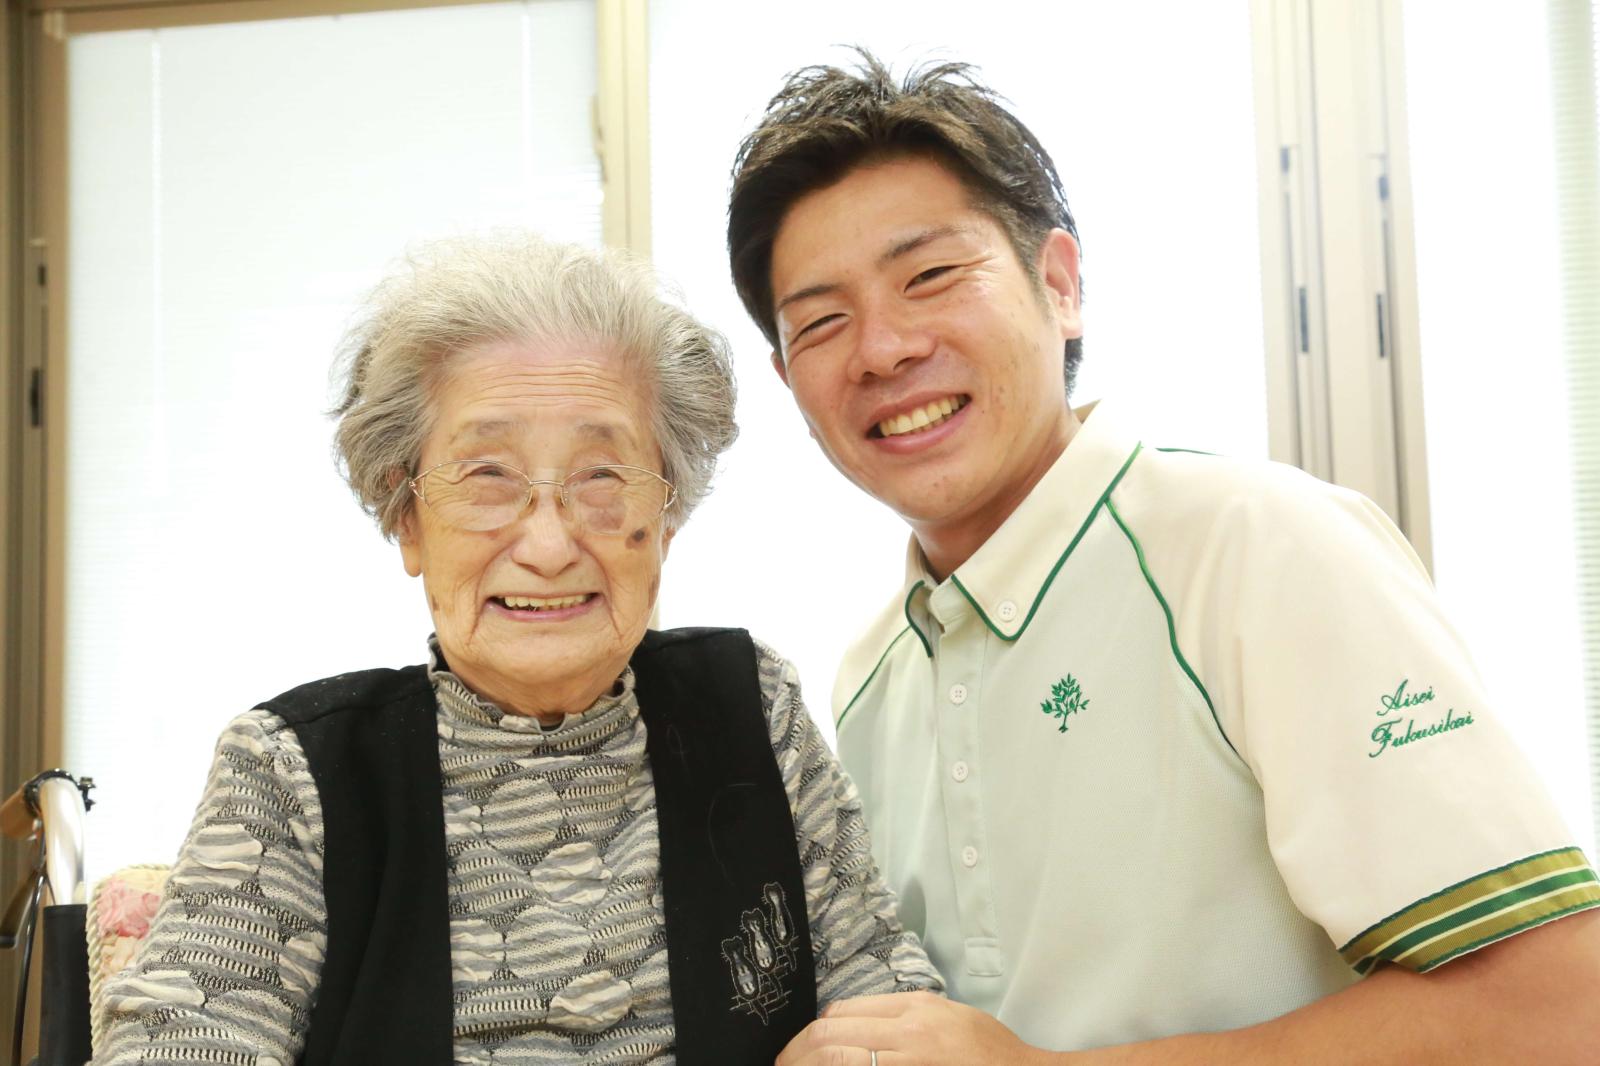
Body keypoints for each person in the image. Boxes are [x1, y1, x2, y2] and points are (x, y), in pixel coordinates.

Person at [725, 51, 1600, 1064]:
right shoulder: (871, 675)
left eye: (929, 276)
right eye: (823, 322)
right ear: (789, 380)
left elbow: (1554, 1008)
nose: (880, 349)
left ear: (1058, 286)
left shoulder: (1253, 548)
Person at [91, 233, 941, 1065]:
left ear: (668, 518)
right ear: (407, 518)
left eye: (602, 478)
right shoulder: (292, 771)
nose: (546, 544)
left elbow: (886, 1001)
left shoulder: (749, 706)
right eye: (487, 477)